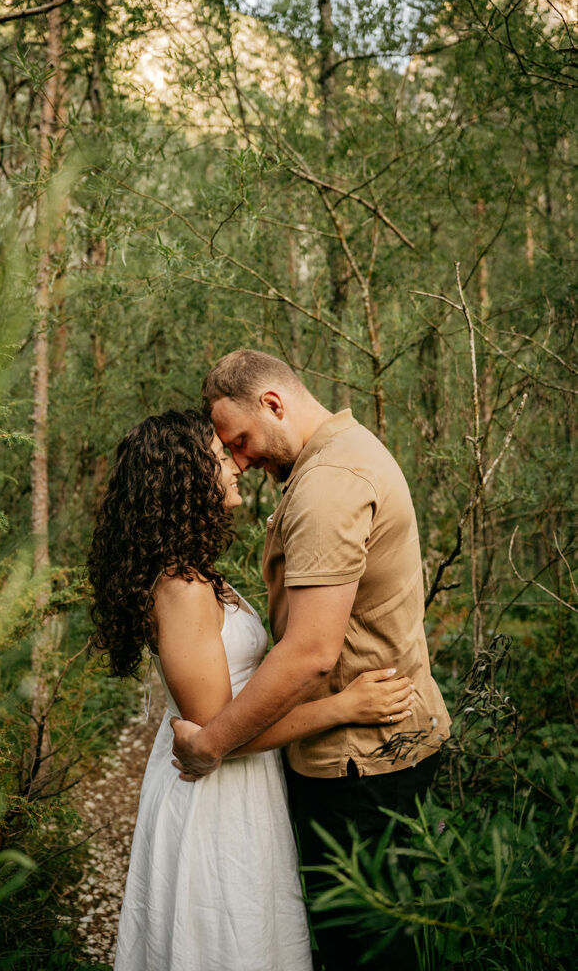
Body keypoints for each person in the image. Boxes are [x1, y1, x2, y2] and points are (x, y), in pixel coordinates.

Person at [88, 409, 416, 971]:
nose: (238, 463)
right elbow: (219, 735)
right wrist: (344, 707)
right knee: (227, 942)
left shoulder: (193, 573)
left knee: (253, 937)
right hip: (212, 796)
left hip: (238, 785)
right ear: (186, 477)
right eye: (223, 456)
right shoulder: (182, 588)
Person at [170, 351, 451, 971]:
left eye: (240, 440)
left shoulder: (328, 484)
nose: (242, 459)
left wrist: (213, 742)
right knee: (383, 939)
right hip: (376, 747)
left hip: (357, 763)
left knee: (364, 949)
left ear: (273, 403)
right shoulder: (347, 452)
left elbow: (310, 654)